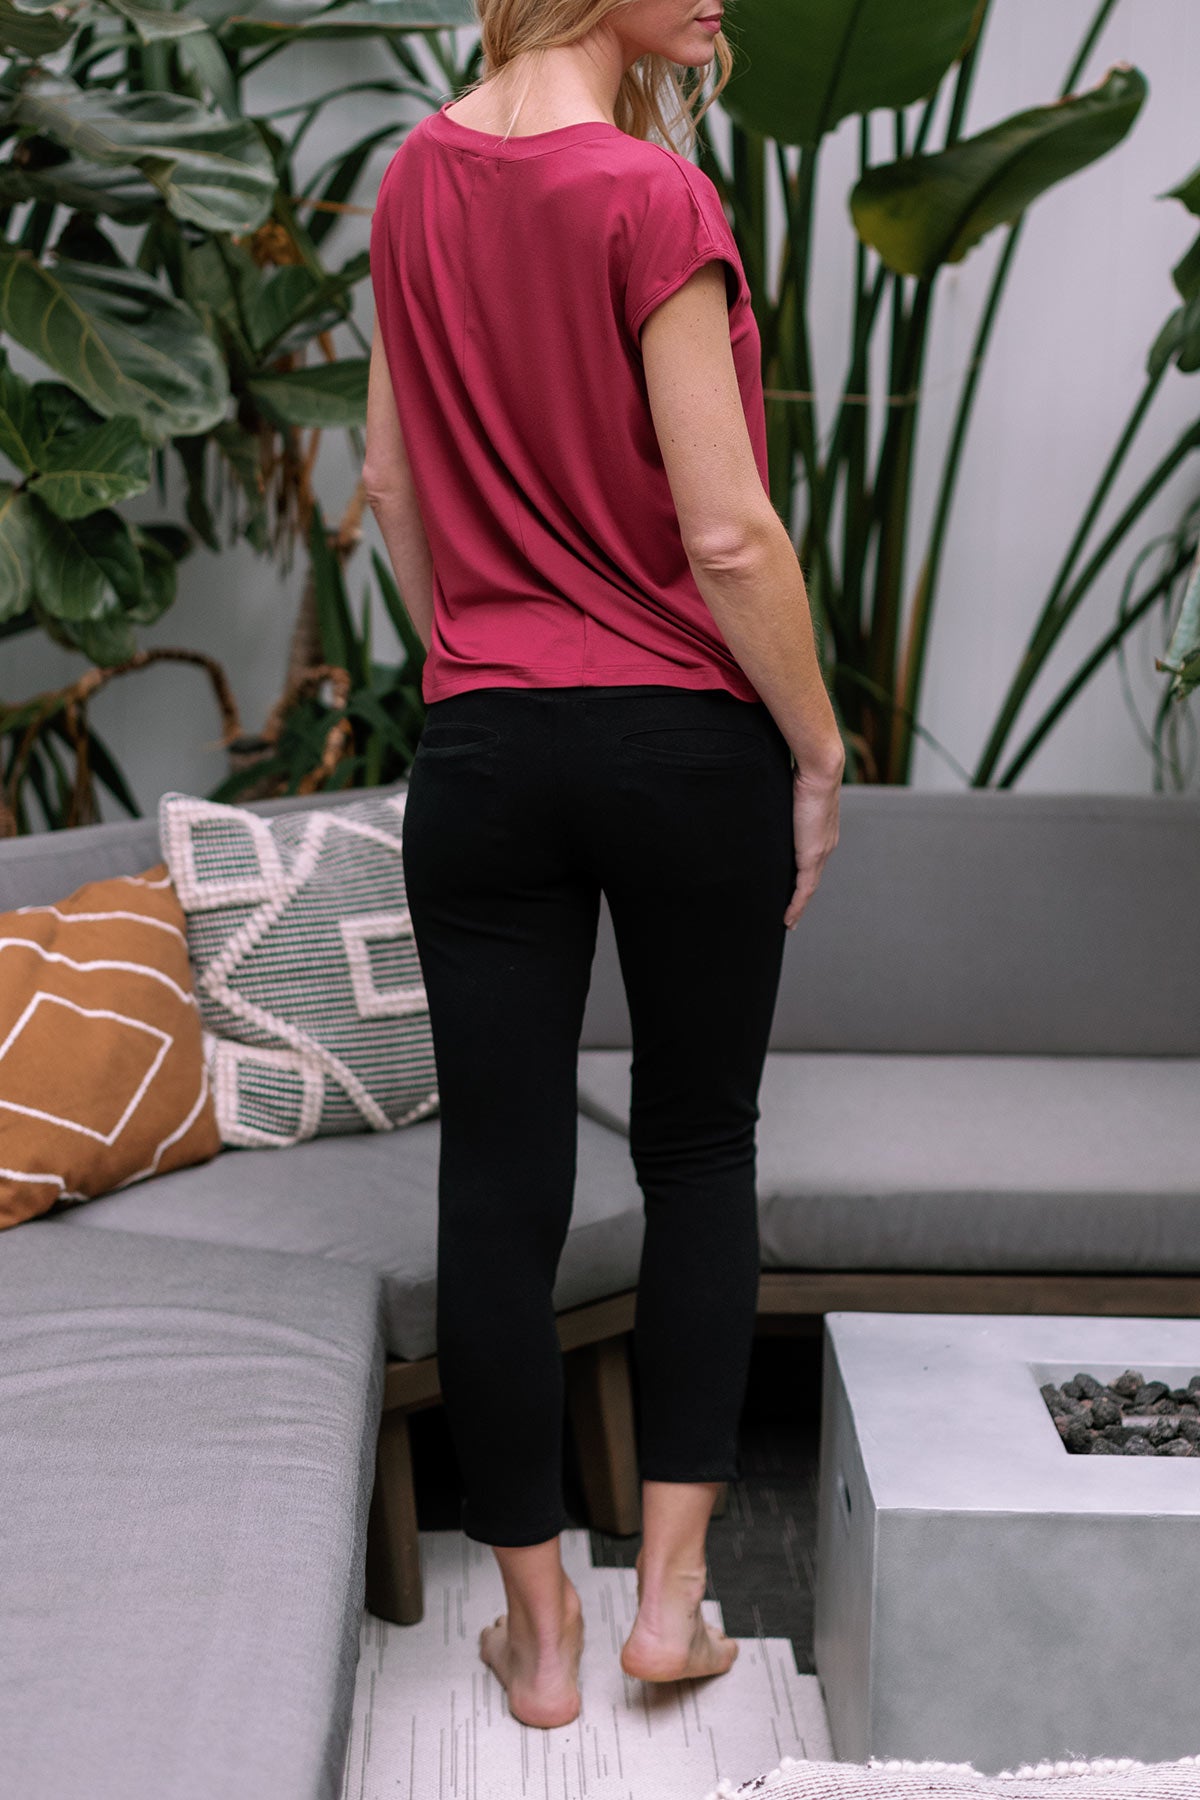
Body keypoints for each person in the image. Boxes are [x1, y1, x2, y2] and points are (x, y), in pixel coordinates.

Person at [365, 0, 845, 1734]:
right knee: (699, 1147)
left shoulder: (411, 182)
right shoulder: (653, 199)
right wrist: (815, 742)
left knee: (497, 1179)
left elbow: (388, 487)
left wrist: (486, 671)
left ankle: (541, 1641)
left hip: (485, 745)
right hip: (681, 739)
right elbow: (724, 530)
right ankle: (675, 1612)